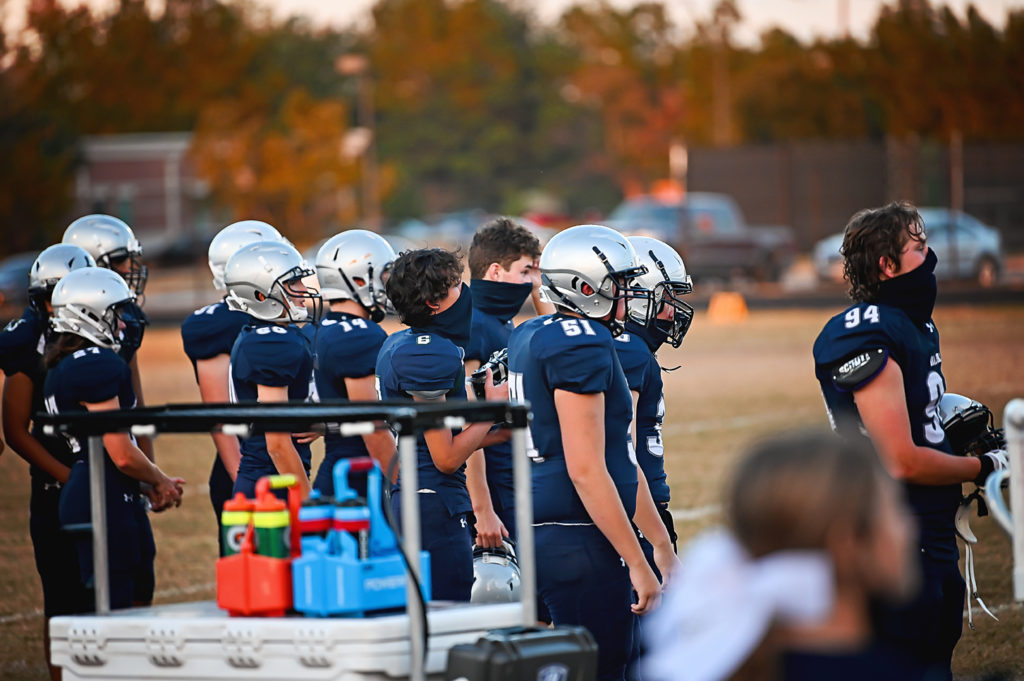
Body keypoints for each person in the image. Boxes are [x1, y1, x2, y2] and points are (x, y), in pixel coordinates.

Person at [812, 201, 1007, 678]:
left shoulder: (915, 324)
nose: (931, 257)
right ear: (887, 264)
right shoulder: (866, 331)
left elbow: (918, 421)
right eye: (919, 249)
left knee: (936, 653)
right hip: (894, 524)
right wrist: (985, 468)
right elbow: (901, 460)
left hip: (928, 522)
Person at [507, 224, 676, 681]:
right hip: (578, 536)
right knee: (602, 669)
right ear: (586, 287)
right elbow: (588, 468)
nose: (629, 296)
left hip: (545, 529)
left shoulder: (531, 333)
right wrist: (638, 562)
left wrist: (659, 543)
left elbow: (621, 461)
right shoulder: (581, 342)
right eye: (621, 285)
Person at [642, 430, 928, 681]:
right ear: (846, 542)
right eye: (895, 511)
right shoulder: (889, 672)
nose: (910, 528)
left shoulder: (731, 663)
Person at [44, 267, 184, 611]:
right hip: (101, 497)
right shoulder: (96, 363)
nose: (122, 324)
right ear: (87, 315)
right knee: (116, 616)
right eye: (116, 314)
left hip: (107, 489)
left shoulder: (67, 363)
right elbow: (120, 452)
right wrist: (159, 479)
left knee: (131, 601)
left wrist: (144, 484)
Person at [377, 248, 507, 601]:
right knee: (448, 615)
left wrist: (498, 432)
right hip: (434, 503)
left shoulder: (399, 343)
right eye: (453, 286)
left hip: (415, 496)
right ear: (433, 303)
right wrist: (491, 411)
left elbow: (431, 436)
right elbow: (445, 457)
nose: (463, 292)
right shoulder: (429, 353)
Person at [1, 244, 96, 680]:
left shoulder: (90, 332)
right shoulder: (28, 344)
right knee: (62, 601)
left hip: (102, 478)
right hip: (57, 488)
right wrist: (70, 478)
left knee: (108, 597)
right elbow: (16, 431)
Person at [618, 236, 695, 680]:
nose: (671, 312)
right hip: (635, 515)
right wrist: (659, 547)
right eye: (664, 299)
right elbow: (621, 453)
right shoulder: (629, 350)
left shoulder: (631, 348)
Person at [181, 220, 283, 552]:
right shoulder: (217, 324)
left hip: (277, 459)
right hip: (243, 465)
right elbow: (220, 415)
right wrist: (243, 481)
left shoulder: (273, 316)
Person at [463, 217, 549, 547]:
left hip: (515, 472)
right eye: (526, 271)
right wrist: (482, 508)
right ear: (496, 272)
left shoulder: (501, 319)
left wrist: (538, 285)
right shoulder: (473, 324)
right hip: (494, 482)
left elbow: (556, 339)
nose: (532, 282)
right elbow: (465, 420)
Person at [224, 240, 320, 500]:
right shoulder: (272, 342)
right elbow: (276, 444)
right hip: (272, 486)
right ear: (261, 294)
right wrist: (308, 501)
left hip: (270, 478)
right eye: (292, 284)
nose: (303, 290)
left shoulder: (262, 333)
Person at [308, 229, 397, 494]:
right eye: (383, 277)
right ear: (358, 279)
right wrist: (403, 485)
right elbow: (373, 428)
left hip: (339, 469)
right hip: (362, 476)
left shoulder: (323, 327)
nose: (388, 286)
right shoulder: (360, 335)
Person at [62, 214, 153, 459]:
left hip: (120, 459)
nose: (127, 269)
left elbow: (136, 406)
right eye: (119, 260)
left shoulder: (127, 319)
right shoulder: (58, 330)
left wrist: (151, 475)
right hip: (73, 463)